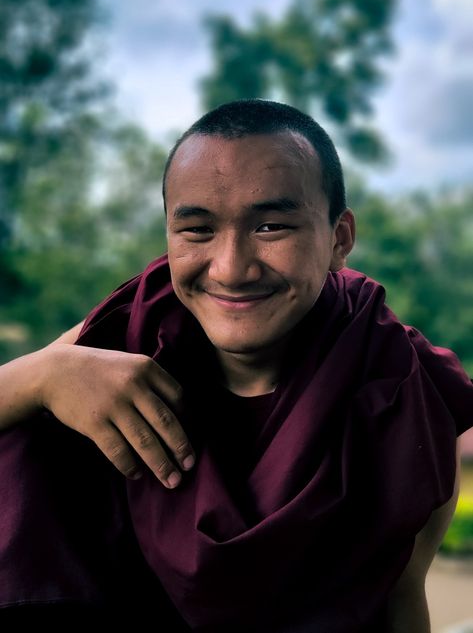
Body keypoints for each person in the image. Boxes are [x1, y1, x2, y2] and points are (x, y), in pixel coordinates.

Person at [0, 99, 472, 631]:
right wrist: (45, 375)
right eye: (197, 230)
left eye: (270, 227)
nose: (231, 269)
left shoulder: (398, 385)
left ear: (339, 238)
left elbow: (400, 598)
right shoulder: (129, 334)